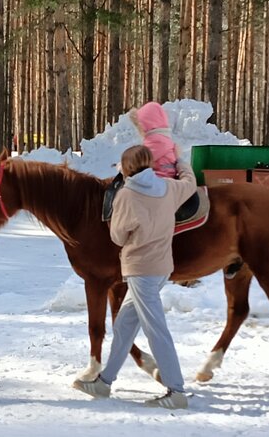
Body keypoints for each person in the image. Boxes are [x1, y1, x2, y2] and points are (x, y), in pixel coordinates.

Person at [73, 145, 195, 410]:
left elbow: (117, 236)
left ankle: (176, 390)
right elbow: (189, 182)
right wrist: (180, 162)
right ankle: (104, 382)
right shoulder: (168, 188)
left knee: (156, 331)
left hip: (141, 271)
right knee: (124, 327)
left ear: (126, 168)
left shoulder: (126, 195)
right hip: (162, 268)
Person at [128, 102, 178, 179]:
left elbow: (138, 161)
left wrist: (123, 165)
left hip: (156, 181)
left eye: (138, 126)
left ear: (146, 125)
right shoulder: (165, 140)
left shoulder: (155, 142)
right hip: (168, 178)